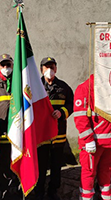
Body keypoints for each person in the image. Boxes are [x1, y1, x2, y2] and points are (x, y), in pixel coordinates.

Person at [74, 74, 111, 200]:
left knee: (107, 170)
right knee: (89, 172)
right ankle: (86, 197)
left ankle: (106, 195)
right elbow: (80, 117)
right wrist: (88, 139)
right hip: (94, 141)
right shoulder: (84, 88)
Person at [35, 57, 74, 200]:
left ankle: (53, 191)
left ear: (56, 69)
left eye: (52, 67)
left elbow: (71, 104)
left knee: (56, 165)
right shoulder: (35, 86)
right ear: (41, 69)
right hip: (42, 135)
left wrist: (62, 112)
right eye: (46, 67)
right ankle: (39, 192)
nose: (49, 70)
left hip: (58, 134)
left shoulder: (64, 87)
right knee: (41, 165)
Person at [0, 54, 21, 199]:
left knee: (16, 160)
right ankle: (3, 189)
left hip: (17, 131)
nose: (6, 68)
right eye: (3, 65)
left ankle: (16, 187)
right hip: (0, 130)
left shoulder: (19, 82)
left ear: (12, 65)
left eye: (8, 65)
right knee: (3, 162)